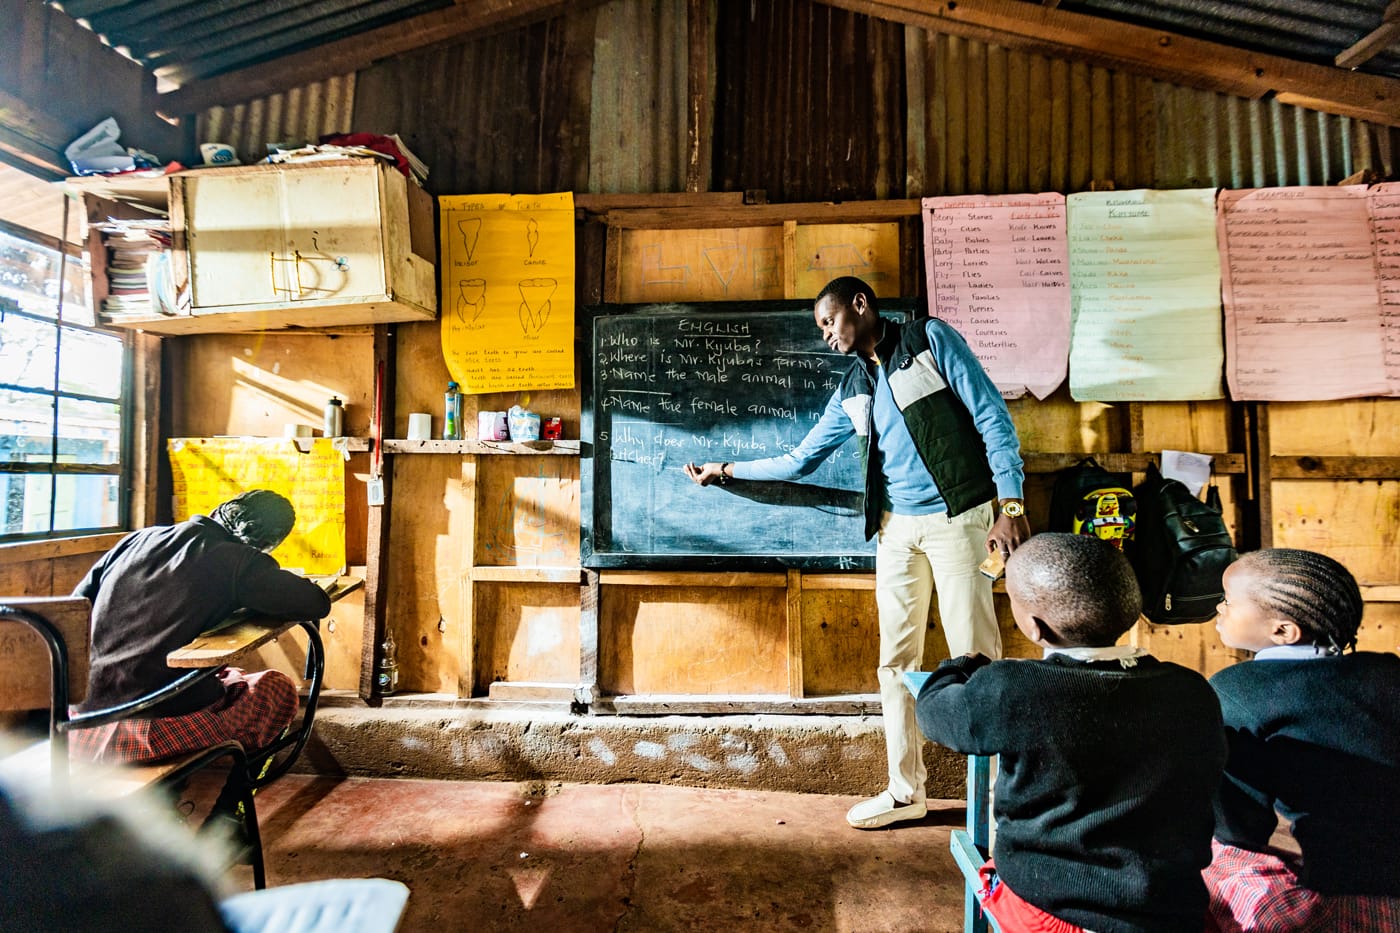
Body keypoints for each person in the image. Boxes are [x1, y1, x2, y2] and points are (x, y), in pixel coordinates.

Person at [683, 275, 1030, 829]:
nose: (826, 335)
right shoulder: (852, 387)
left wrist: (1010, 506)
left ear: (860, 306)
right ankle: (904, 791)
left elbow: (992, 416)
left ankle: (998, 804)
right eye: (821, 327)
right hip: (895, 531)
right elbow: (801, 460)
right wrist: (725, 470)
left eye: (829, 321)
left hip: (959, 518)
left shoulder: (929, 341)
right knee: (895, 664)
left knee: (976, 661)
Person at [917, 533, 1226, 932]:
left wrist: (960, 665)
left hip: (1052, 908)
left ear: (1035, 628)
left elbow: (934, 712)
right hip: (1168, 907)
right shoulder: (1192, 689)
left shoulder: (1013, 687)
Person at [1205, 548, 1400, 931]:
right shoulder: (1388, 670)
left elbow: (1237, 821)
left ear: (1282, 631)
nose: (1219, 609)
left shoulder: (1236, 690)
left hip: (1335, 890)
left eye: (1228, 602)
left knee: (1216, 857)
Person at [68, 490, 331, 765]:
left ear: (219, 510)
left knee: (226, 675)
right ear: (262, 541)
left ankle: (213, 776)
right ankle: (233, 786)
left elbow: (78, 604)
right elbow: (314, 603)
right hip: (148, 731)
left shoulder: (138, 539)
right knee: (276, 689)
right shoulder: (240, 560)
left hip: (80, 718)